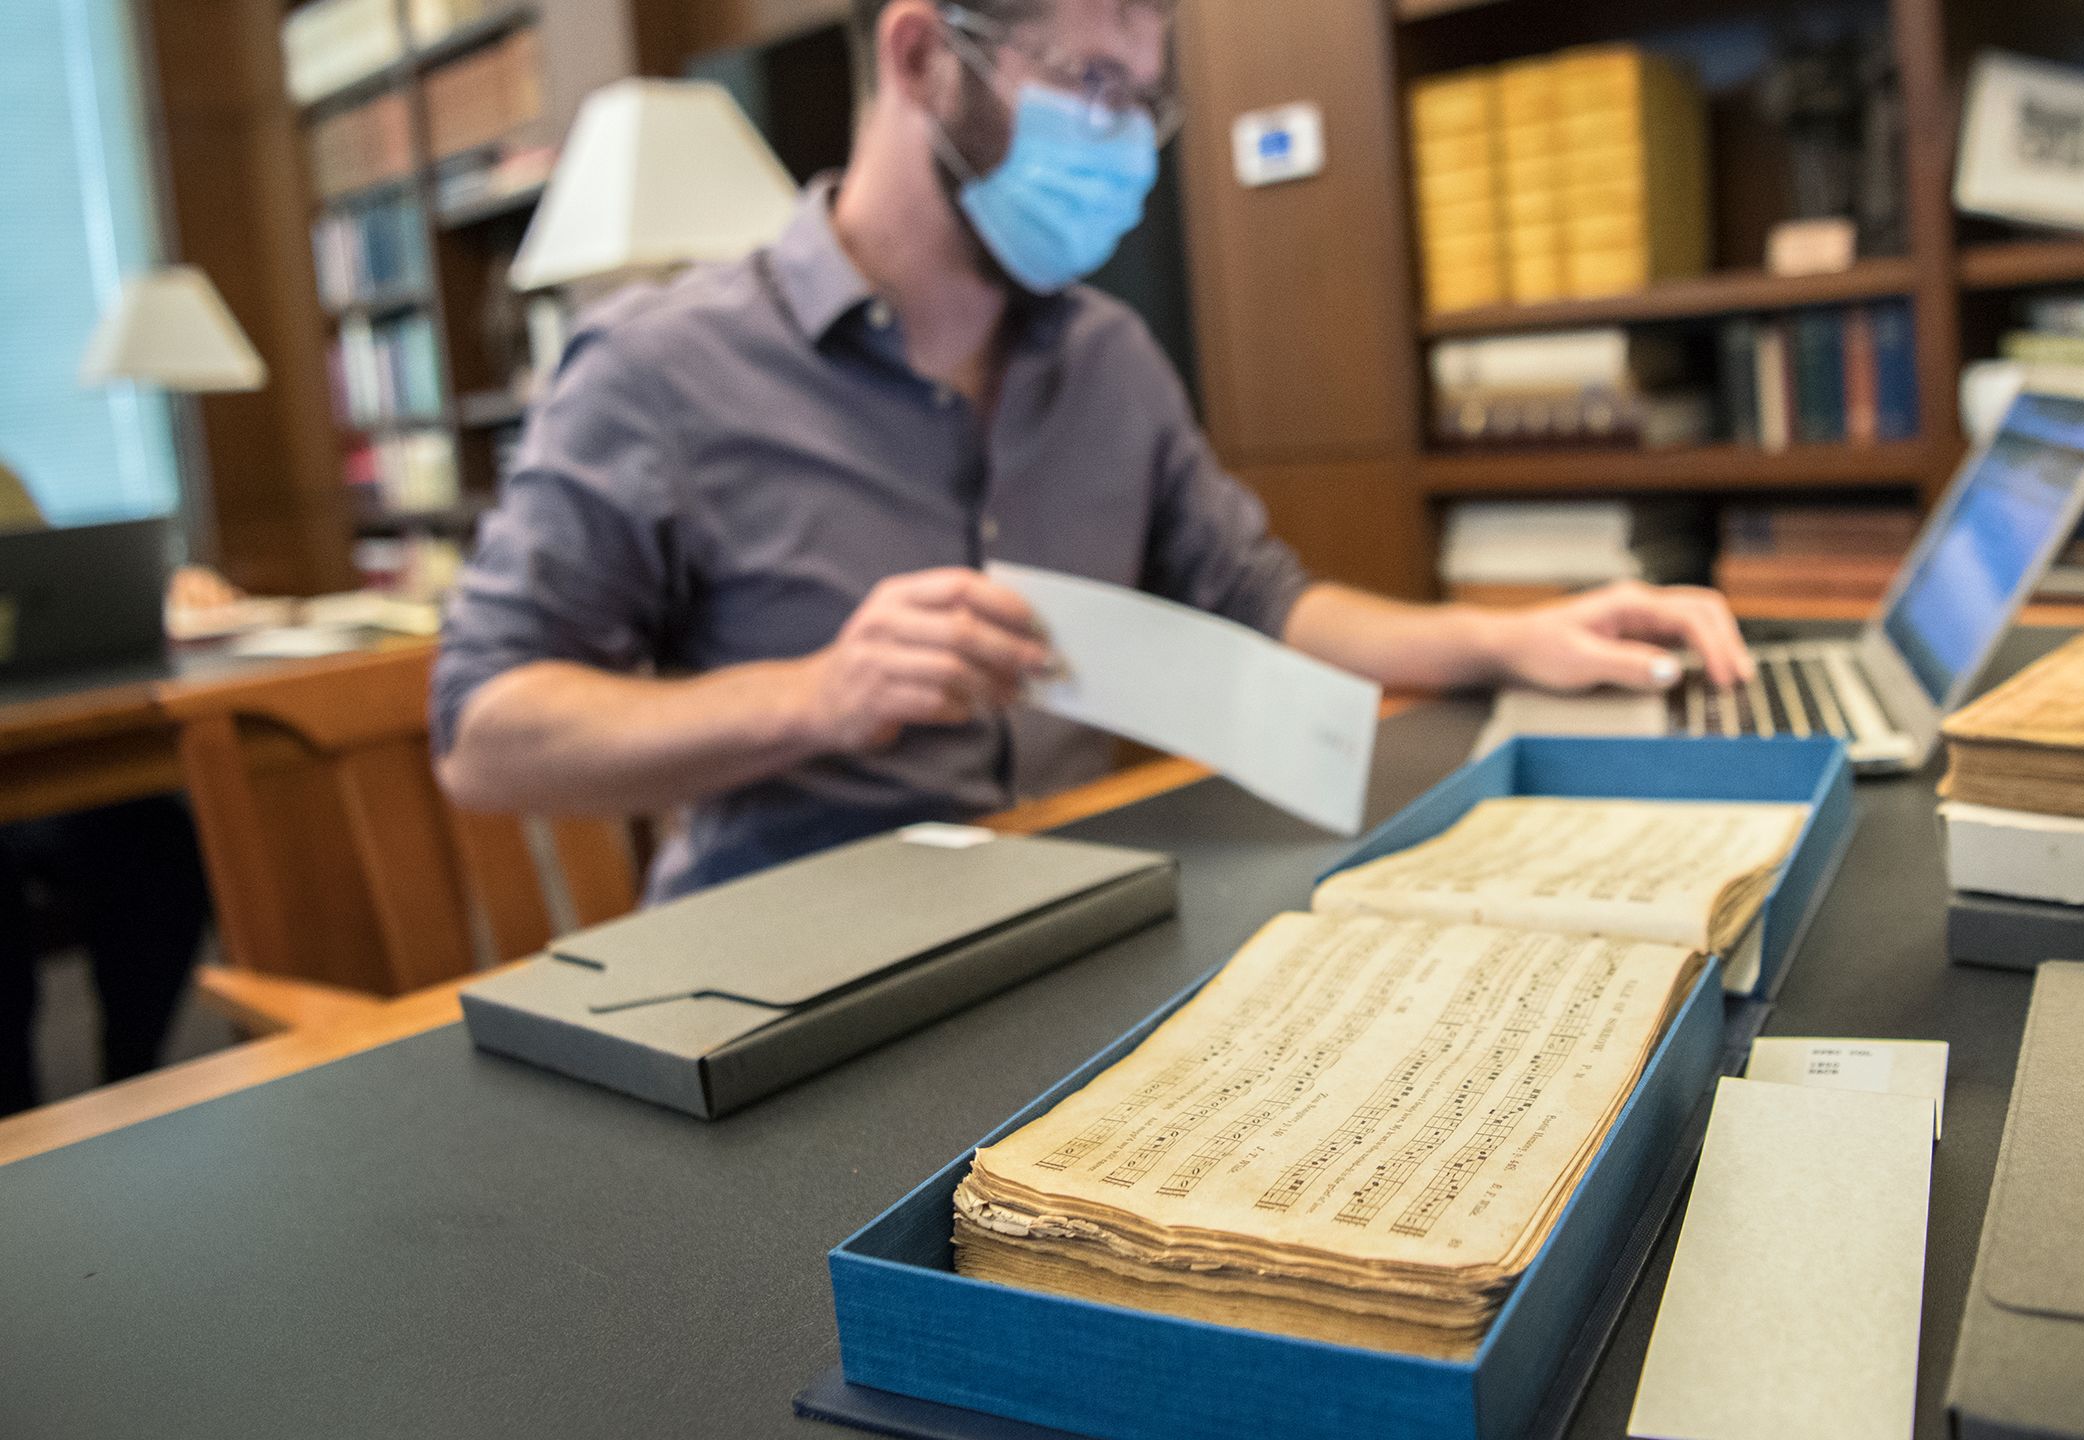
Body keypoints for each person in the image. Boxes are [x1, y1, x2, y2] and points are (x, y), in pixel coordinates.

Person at [432, 0, 1754, 903]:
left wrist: (1507, 638)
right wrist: (819, 695)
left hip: (1074, 914)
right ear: (920, 55)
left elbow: (1259, 605)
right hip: (787, 965)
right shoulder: (660, 369)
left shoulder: (1108, 358)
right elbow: (484, 734)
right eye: (1090, 83)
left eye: (1143, 102)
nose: (1123, 142)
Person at [0, 457, 212, 1115]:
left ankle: (131, 1082)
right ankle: (17, 1122)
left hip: (36, 753)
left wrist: (162, 588)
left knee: (155, 836)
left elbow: (54, 601)